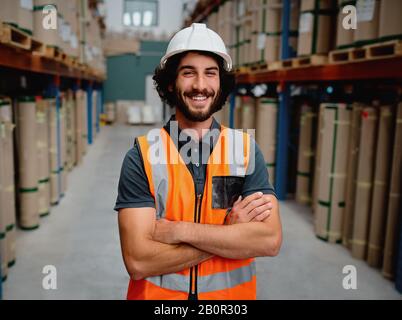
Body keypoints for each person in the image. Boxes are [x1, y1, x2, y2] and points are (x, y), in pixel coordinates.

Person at [115, 23, 282, 300]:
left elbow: (269, 240)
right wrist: (228, 234)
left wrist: (181, 230)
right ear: (171, 82)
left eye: (210, 73)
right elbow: (138, 261)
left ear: (220, 83)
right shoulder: (142, 157)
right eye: (188, 73)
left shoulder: (245, 151)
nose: (200, 85)